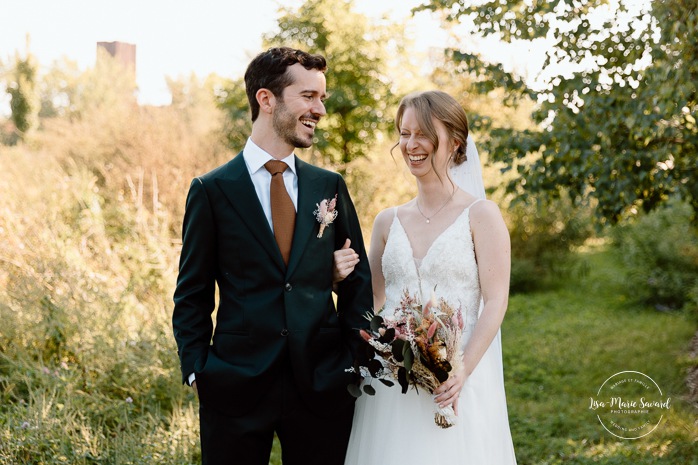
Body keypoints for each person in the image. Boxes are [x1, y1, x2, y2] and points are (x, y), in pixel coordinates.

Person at [172, 47, 372, 465]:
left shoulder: (328, 186)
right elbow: (192, 292)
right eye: (308, 96)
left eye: (322, 99)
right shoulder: (212, 190)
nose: (319, 109)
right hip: (235, 385)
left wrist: (354, 361)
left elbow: (357, 281)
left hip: (321, 382)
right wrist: (197, 370)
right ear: (267, 100)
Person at [343, 91, 517, 464]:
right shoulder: (387, 221)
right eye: (404, 134)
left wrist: (462, 369)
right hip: (394, 383)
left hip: (458, 378)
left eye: (423, 133)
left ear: (455, 141)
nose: (411, 145)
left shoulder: (481, 215)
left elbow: (496, 299)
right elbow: (370, 301)